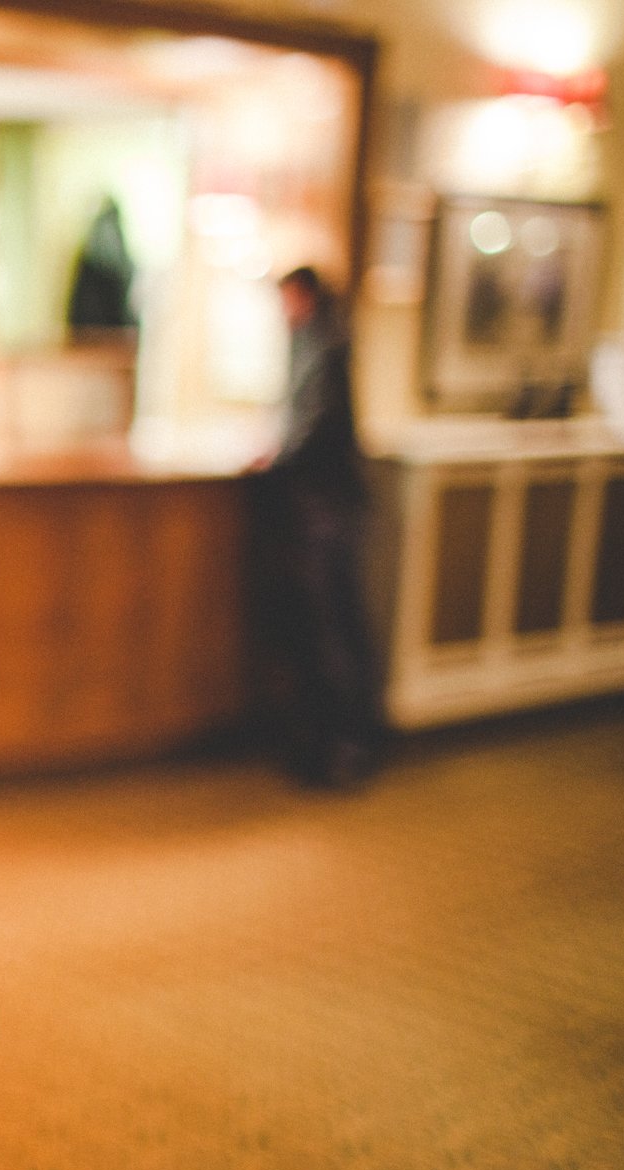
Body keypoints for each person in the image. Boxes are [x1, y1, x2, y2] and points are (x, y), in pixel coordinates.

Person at [249, 266, 383, 786]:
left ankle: (344, 745)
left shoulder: (321, 344)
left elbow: (309, 422)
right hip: (329, 501)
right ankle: (339, 739)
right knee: (334, 621)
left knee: (331, 623)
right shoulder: (320, 339)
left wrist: (276, 456)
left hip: (323, 504)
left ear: (299, 295)